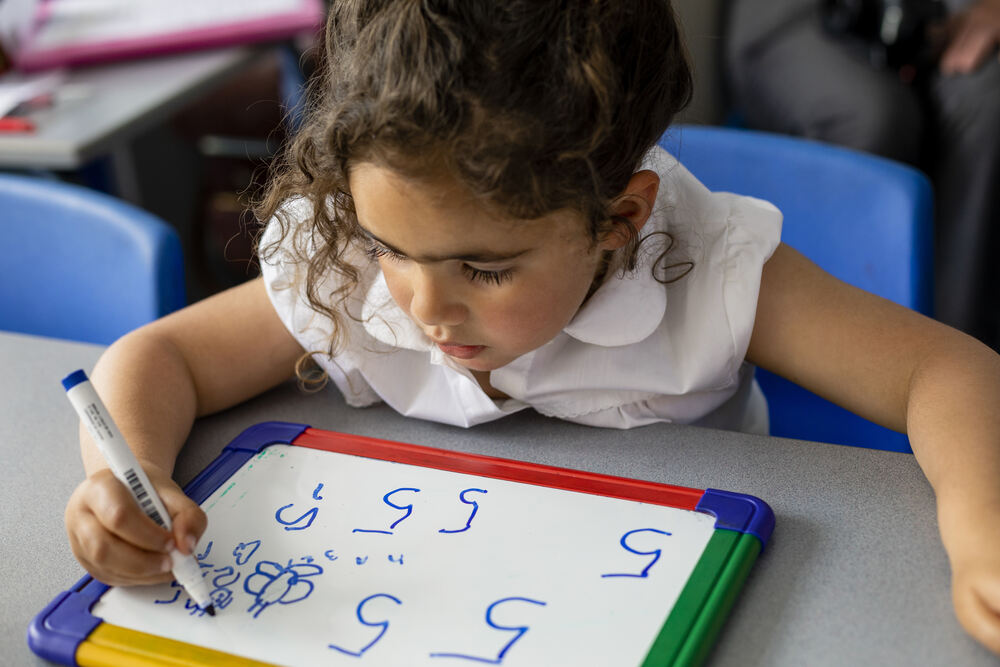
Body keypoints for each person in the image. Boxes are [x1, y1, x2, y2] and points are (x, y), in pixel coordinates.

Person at [64, 0, 1000, 654]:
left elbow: (947, 375)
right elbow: (161, 355)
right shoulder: (344, 256)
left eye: (485, 267)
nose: (424, 306)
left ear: (618, 220)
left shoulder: (702, 265)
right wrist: (127, 475)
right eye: (393, 245)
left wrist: (983, 530)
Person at [725, 0, 1000, 350]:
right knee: (873, 120)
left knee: (989, 102)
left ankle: (959, 357)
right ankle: (850, 359)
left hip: (946, 11)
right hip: (802, 12)